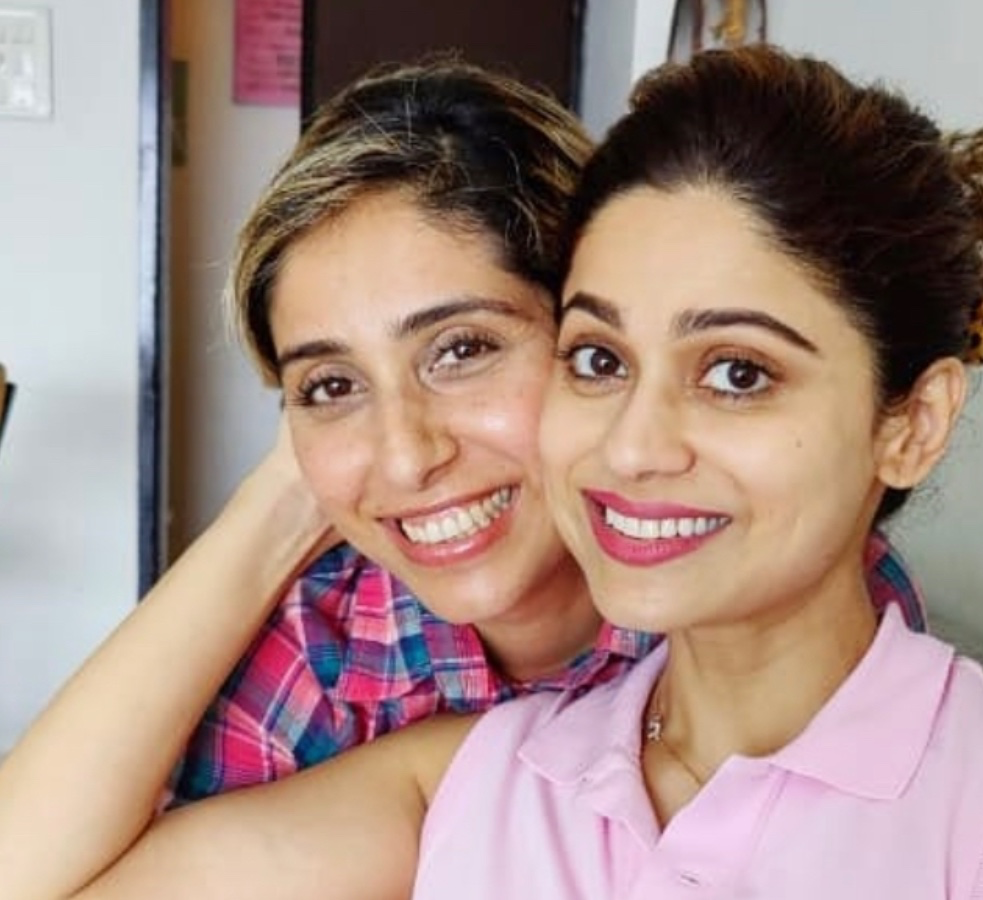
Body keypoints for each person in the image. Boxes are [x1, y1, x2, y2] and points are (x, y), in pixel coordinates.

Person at [4, 45, 983, 899]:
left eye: (738, 372)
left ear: (912, 423)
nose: (632, 445)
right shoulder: (457, 766)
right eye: (602, 360)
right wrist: (293, 493)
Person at [165, 56, 925, 803]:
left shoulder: (765, 581)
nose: (405, 458)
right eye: (331, 386)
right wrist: (280, 505)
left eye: (462, 351)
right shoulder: (323, 644)